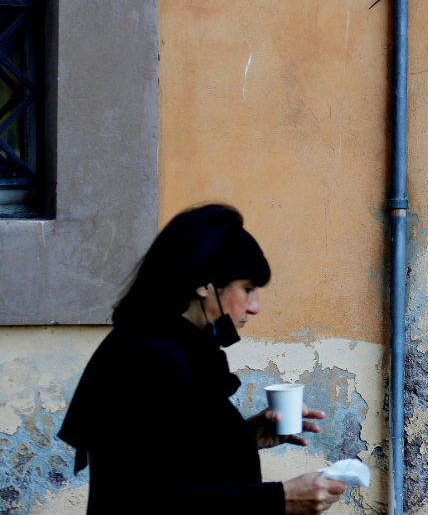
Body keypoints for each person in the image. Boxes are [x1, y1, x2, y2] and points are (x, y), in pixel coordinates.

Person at [58, 204, 347, 514]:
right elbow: (147, 497)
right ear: (202, 284)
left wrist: (242, 438)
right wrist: (282, 499)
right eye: (247, 289)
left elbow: (169, 456)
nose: (255, 307)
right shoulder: (154, 359)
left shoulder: (165, 343)